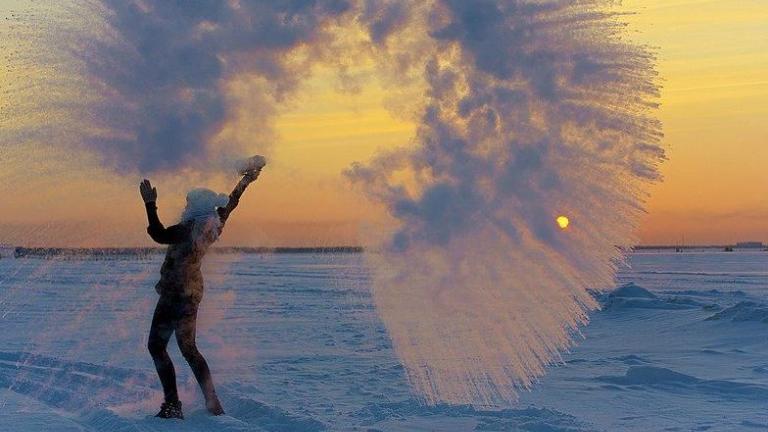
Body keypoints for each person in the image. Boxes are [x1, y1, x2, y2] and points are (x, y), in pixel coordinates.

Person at [139, 169, 261, 419]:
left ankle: (173, 405)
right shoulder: (213, 225)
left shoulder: (188, 229)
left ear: (194, 206)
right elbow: (231, 202)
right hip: (191, 293)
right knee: (189, 349)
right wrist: (247, 179)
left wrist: (150, 204)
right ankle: (212, 401)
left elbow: (158, 234)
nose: (185, 206)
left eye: (188, 202)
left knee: (156, 345)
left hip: (175, 294)